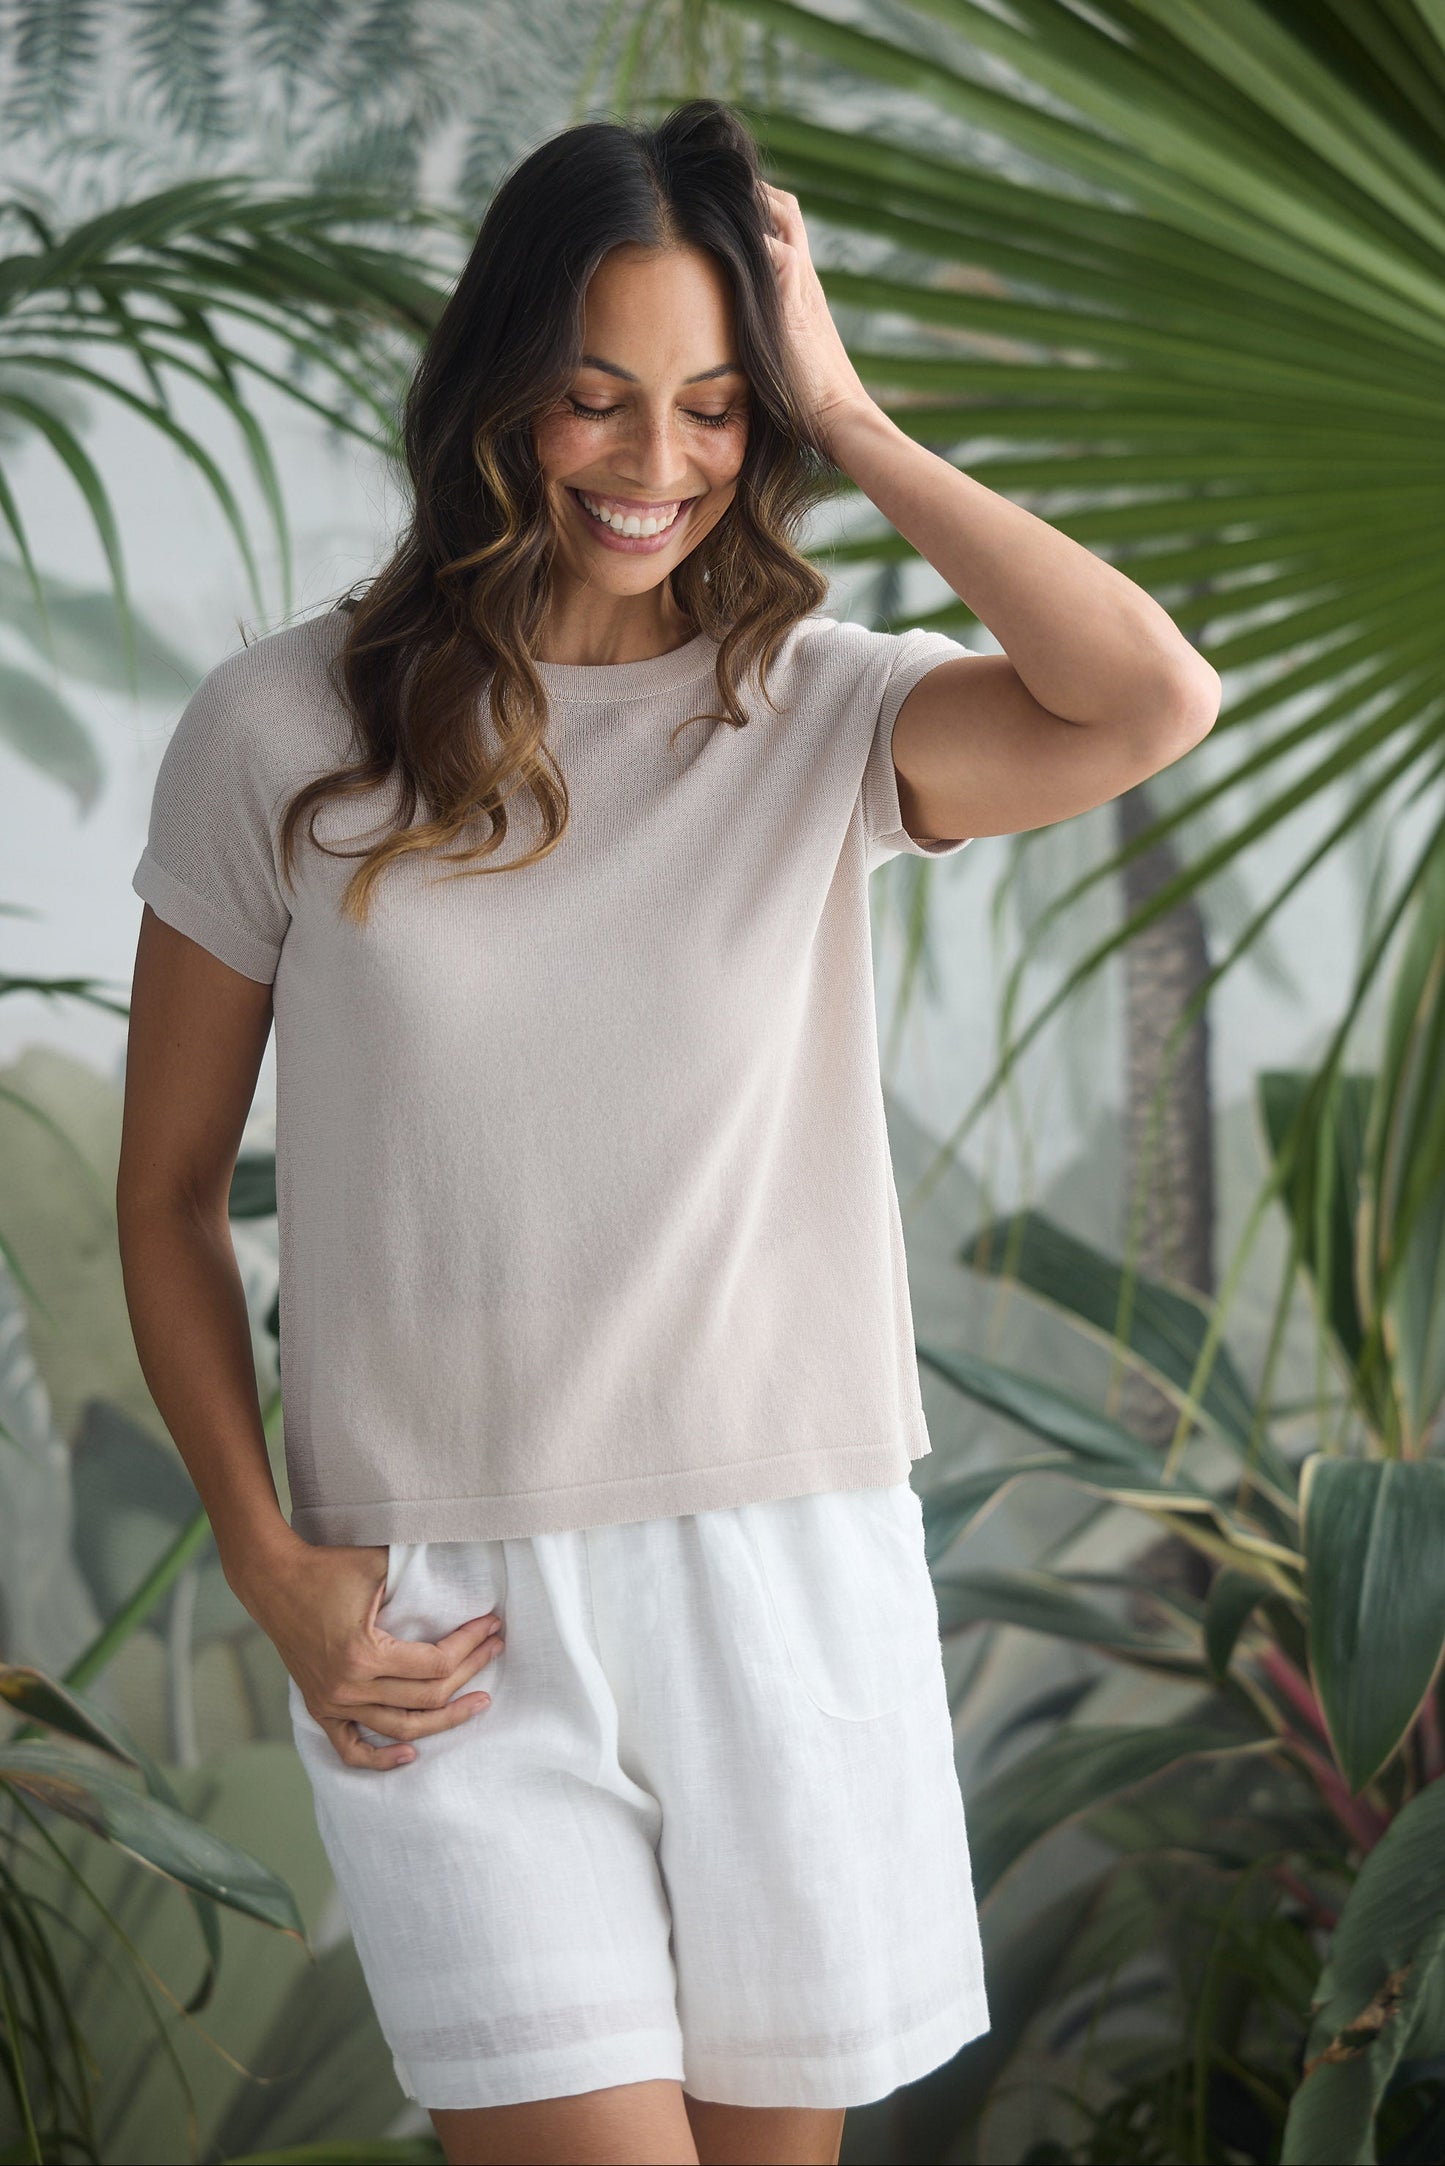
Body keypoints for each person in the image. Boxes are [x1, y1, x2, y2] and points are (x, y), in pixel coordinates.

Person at [117, 98, 1219, 2166]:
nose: (656, 466)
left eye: (717, 410)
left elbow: (1149, 700)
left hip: (779, 1572)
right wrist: (272, 1565)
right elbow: (167, 1198)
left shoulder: (817, 709)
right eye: (598, 399)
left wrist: (858, 419)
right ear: (500, 390)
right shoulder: (287, 732)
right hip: (440, 1608)